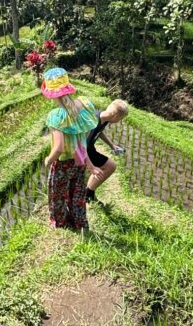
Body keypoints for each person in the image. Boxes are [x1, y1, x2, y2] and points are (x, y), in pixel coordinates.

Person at [42, 68, 100, 232]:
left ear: (51, 93)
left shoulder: (56, 115)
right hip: (80, 161)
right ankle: (80, 223)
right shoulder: (84, 104)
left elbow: (59, 147)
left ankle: (61, 222)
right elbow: (82, 140)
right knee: (77, 193)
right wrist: (90, 164)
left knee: (58, 195)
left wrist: (49, 159)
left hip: (63, 165)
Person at [85, 99, 129, 205]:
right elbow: (81, 146)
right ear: (116, 117)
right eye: (121, 119)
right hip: (82, 151)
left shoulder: (104, 118)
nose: (119, 121)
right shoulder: (93, 120)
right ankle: (86, 195)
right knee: (109, 166)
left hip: (89, 148)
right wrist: (91, 167)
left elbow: (99, 132)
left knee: (111, 166)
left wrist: (112, 145)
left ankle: (88, 193)